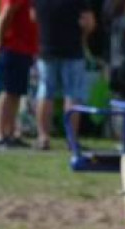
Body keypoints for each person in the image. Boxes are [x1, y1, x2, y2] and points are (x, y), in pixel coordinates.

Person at [32, 0, 94, 151]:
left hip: (46, 48)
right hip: (72, 49)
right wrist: (82, 37)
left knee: (45, 92)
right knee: (72, 94)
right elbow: (89, 22)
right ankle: (71, 139)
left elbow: (33, 17)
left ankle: (43, 137)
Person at [0, 0, 37, 150]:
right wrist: (0, 41)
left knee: (16, 93)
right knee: (8, 90)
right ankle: (0, 135)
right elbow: (5, 15)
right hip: (13, 47)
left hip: (25, 49)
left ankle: (10, 132)